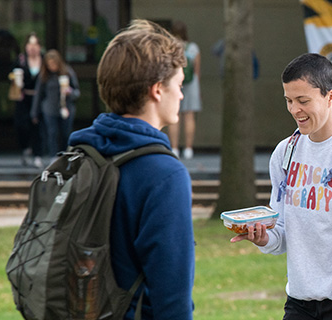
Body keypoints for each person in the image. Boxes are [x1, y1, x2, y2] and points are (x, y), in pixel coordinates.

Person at [231, 53, 332, 320]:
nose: (294, 109)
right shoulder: (285, 152)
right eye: (288, 100)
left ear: (330, 97)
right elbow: (282, 233)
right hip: (298, 304)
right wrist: (263, 237)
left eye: (303, 101)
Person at [67, 19, 194, 319]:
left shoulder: (81, 153)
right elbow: (172, 296)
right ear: (157, 91)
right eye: (178, 84)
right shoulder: (164, 175)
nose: (182, 94)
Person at [32, 49, 79, 160]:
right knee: (52, 133)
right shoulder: (44, 75)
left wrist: (69, 92)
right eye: (49, 64)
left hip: (66, 108)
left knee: (65, 133)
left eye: (54, 64)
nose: (52, 66)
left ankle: (65, 156)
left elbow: (77, 92)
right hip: (49, 108)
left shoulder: (68, 72)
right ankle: (53, 156)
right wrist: (34, 112)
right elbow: (39, 95)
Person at [167, 21, 201, 159]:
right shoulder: (193, 48)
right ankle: (188, 149)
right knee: (189, 116)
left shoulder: (170, 48)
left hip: (174, 83)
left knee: (175, 117)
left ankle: (174, 148)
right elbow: (197, 71)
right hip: (191, 85)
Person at [12, 33, 43, 167]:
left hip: (39, 98)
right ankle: (25, 149)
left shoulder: (44, 61)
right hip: (24, 97)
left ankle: (38, 154)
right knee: (22, 125)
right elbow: (12, 75)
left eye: (35, 44)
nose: (32, 48)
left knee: (38, 126)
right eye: (30, 44)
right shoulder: (21, 60)